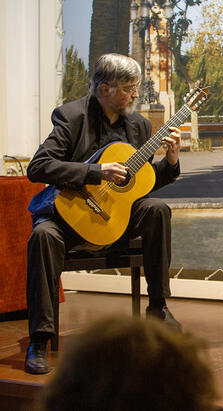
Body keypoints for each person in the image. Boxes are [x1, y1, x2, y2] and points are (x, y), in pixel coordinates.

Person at [24, 53, 183, 374]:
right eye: (128, 88)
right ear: (105, 88)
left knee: (156, 209)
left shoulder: (137, 125)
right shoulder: (71, 117)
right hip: (69, 219)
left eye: (136, 87)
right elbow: (38, 167)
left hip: (114, 222)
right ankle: (40, 338)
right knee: (42, 234)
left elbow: (142, 184)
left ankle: (158, 306)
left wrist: (171, 162)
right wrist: (96, 171)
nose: (135, 94)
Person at [38, 316, 216, 411]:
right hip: (71, 245)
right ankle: (40, 337)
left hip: (114, 245)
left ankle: (158, 305)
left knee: (158, 243)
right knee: (41, 244)